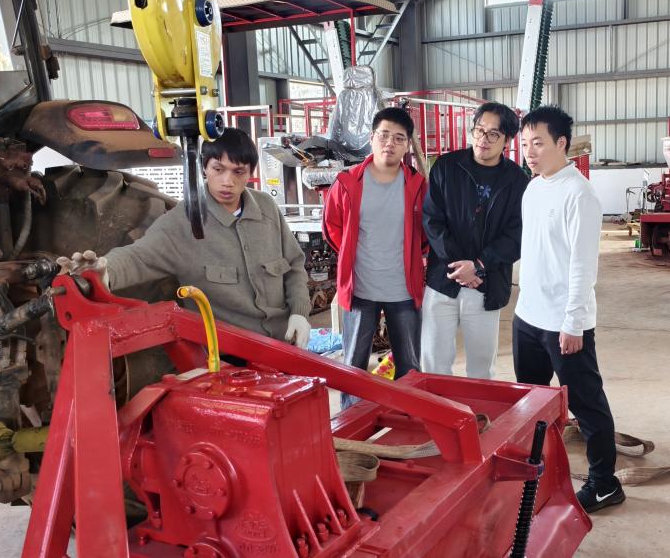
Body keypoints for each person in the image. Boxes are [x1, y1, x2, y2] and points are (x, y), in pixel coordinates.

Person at [57, 127, 312, 348]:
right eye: (218, 169)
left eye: (238, 171)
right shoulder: (183, 223)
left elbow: (294, 266)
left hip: (286, 345)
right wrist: (103, 271)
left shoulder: (267, 209)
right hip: (229, 357)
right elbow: (138, 257)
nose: (227, 181)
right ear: (204, 168)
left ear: (250, 173)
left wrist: (300, 312)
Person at [512, 105, 622, 513]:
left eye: (538, 143)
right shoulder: (533, 188)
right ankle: (538, 471)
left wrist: (573, 322)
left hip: (564, 324)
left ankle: (605, 484)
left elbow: (582, 265)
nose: (529, 151)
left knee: (586, 405)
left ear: (562, 143)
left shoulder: (580, 194)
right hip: (528, 317)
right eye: (525, 143)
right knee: (533, 403)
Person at [322, 107, 428, 408]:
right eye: (384, 135)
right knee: (353, 365)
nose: (389, 143)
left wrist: (412, 256)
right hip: (360, 290)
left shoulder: (417, 186)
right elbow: (332, 226)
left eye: (399, 138)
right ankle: (351, 420)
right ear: (372, 138)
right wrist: (352, 253)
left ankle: (407, 419)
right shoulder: (347, 182)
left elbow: (425, 234)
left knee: (409, 365)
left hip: (403, 291)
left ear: (407, 145)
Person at [421, 102, 527, 379]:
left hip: (486, 285)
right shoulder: (446, 167)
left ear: (507, 140)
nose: (483, 139)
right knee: (433, 364)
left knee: (481, 369)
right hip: (443, 281)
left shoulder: (517, 180)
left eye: (493, 134)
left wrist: (478, 266)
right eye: (479, 130)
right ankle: (437, 409)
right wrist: (461, 268)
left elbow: (517, 235)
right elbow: (432, 220)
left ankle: (478, 409)